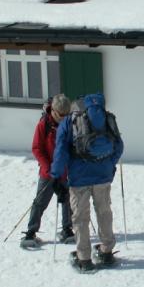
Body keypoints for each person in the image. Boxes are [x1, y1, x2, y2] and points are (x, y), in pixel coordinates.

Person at [50, 93, 124, 272]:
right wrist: (109, 165)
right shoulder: (108, 119)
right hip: (103, 176)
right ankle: (106, 252)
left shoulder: (69, 122)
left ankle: (84, 259)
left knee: (81, 218)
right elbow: (119, 146)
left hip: (79, 178)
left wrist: (56, 176)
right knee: (104, 213)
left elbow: (61, 152)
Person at [21, 94, 74, 249]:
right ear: (54, 111)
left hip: (65, 171)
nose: (64, 118)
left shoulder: (70, 124)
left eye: (66, 114)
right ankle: (31, 232)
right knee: (40, 202)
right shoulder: (43, 125)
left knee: (68, 201)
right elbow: (37, 148)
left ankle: (67, 229)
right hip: (48, 173)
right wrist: (49, 168)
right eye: (61, 115)